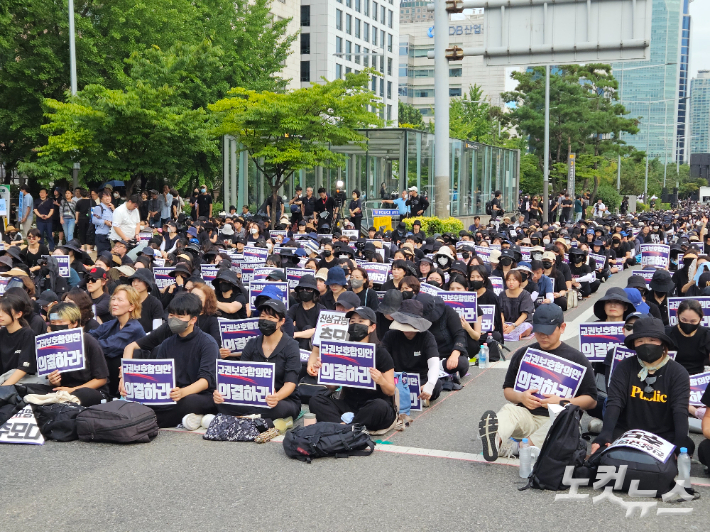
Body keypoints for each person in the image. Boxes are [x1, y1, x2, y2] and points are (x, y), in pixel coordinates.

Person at [479, 304, 597, 461]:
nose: (542, 336)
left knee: (564, 422)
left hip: (556, 418)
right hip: (527, 415)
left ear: (562, 327)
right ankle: (496, 440)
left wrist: (561, 401)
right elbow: (507, 390)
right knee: (509, 410)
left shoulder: (578, 359)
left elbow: (591, 401)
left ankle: (517, 448)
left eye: (547, 332)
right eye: (538, 331)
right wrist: (521, 397)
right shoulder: (523, 353)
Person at [591, 317, 693, 456]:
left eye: (652, 340)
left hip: (663, 435)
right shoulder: (624, 366)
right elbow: (615, 402)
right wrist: (606, 433)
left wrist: (680, 440)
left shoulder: (678, 372)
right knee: (601, 456)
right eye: (640, 341)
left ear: (662, 342)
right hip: (626, 432)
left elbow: (680, 410)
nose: (646, 345)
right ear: (634, 344)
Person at [122, 293, 218, 429]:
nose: (174, 320)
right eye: (172, 315)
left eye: (180, 316)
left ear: (193, 319)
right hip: (171, 393)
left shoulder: (207, 343)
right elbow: (159, 375)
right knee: (144, 402)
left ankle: (145, 422)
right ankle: (189, 418)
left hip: (198, 395)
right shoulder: (167, 343)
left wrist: (183, 392)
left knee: (188, 402)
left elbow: (206, 380)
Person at [213, 298, 301, 425]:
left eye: (271, 318)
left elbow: (290, 383)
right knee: (220, 403)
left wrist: (276, 397)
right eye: (263, 316)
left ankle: (241, 418)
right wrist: (222, 393)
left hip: (282, 400)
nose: (265, 320)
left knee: (277, 408)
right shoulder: (252, 343)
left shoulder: (291, 346)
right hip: (252, 398)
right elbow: (240, 376)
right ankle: (252, 419)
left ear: (282, 321)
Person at [308, 306, 397, 431]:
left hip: (373, 405)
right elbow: (332, 387)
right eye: (352, 321)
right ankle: (347, 427)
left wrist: (381, 380)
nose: (355, 325)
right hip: (349, 404)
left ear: (372, 327)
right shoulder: (341, 350)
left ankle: (344, 427)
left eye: (361, 321)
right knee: (316, 400)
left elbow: (390, 391)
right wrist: (323, 371)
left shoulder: (381, 353)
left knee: (380, 406)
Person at [24, 302, 109, 406]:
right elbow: (56, 383)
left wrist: (72, 390)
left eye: (61, 323)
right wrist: (54, 381)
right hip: (62, 390)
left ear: (74, 323)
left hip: (89, 391)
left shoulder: (88, 341)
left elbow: (101, 379)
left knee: (81, 395)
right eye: (53, 323)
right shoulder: (51, 344)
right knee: (27, 389)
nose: (56, 326)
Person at [380, 299, 442, 405]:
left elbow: (434, 362)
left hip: (420, 379)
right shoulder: (390, 335)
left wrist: (430, 384)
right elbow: (382, 358)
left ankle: (418, 395)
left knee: (437, 385)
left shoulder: (427, 336)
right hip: (396, 378)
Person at [88, 285, 146, 397]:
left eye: (120, 300)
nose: (114, 303)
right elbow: (91, 335)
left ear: (131, 306)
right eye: (113, 299)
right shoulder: (112, 323)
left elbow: (107, 346)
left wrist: (89, 344)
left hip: (129, 381)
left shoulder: (134, 328)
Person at [0, 293, 38, 386]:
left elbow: (24, 368)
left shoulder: (27, 334)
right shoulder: (2, 333)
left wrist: (3, 388)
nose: (0, 315)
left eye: (4, 311)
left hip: (20, 382)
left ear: (18, 314)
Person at [665, 299, 710, 376]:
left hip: (699, 377)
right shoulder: (667, 334)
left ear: (700, 318)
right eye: (684, 320)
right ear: (677, 315)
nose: (688, 324)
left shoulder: (707, 335)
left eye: (693, 321)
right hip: (672, 376)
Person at [287, 274, 324, 352]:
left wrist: (296, 334)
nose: (304, 292)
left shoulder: (321, 309)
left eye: (308, 289)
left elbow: (320, 330)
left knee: (308, 328)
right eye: (301, 289)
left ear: (314, 292)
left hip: (312, 347)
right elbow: (286, 324)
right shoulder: (294, 308)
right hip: (294, 345)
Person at [499, 270, 534, 341]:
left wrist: (513, 326)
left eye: (514, 280)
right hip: (506, 323)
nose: (511, 282)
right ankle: (510, 334)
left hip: (521, 323)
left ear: (519, 282)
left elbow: (524, 315)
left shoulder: (525, 295)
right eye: (508, 280)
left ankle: (515, 334)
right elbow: (500, 312)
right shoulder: (502, 294)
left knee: (527, 327)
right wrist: (502, 324)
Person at [127, 268, 164, 333]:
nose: (135, 284)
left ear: (147, 284)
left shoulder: (155, 303)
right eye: (133, 281)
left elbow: (156, 331)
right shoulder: (127, 301)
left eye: (139, 281)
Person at [92, 190, 114, 254]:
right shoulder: (98, 208)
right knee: (102, 255)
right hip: (101, 235)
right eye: (105, 197)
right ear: (101, 199)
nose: (108, 198)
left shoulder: (110, 208)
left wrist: (114, 209)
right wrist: (105, 222)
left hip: (110, 236)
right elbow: (94, 220)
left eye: (109, 196)